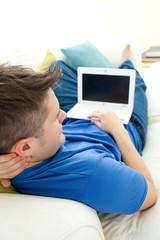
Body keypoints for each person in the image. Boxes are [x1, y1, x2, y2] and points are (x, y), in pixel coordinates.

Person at [0, 45, 157, 214]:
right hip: (123, 125)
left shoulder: (10, 159)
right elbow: (150, 194)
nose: (64, 115)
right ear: (26, 147)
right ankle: (126, 64)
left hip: (80, 120)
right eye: (55, 118)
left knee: (58, 67)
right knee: (135, 81)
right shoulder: (93, 173)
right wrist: (118, 129)